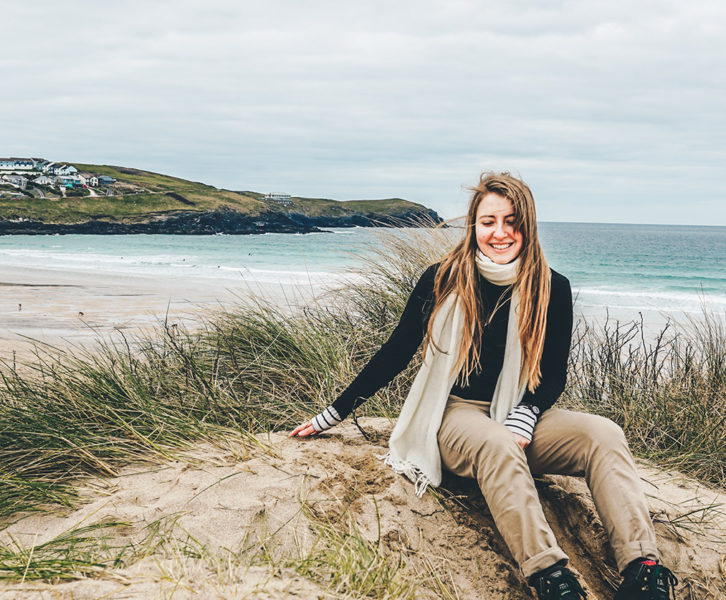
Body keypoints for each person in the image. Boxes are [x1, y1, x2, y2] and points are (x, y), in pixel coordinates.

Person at [290, 172, 677, 600]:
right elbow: (395, 353)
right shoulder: (441, 279)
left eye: (512, 221)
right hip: (455, 415)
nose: (500, 233)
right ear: (473, 224)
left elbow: (552, 374)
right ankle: (551, 577)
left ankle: (642, 569)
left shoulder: (553, 287)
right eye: (489, 221)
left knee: (603, 433)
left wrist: (526, 416)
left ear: (527, 225)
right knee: (497, 443)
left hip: (516, 412)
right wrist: (333, 413)